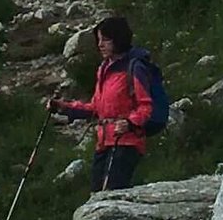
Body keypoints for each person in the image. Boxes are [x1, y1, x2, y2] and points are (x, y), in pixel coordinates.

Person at [52, 12, 154, 190]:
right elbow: (96, 108)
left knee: (111, 193)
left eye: (106, 39)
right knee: (97, 193)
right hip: (104, 142)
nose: (100, 45)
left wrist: (130, 123)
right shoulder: (104, 69)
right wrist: (64, 107)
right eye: (99, 40)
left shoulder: (135, 68)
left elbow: (146, 106)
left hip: (126, 142)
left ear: (118, 39)